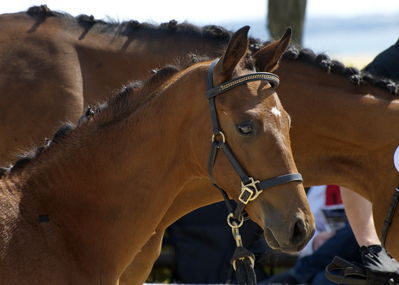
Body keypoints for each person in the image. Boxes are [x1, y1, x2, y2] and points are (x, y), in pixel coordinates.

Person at [263, 185, 362, 285]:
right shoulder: (324, 186)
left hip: (364, 258)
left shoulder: (371, 181)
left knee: (358, 228)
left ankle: (299, 273)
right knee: (322, 280)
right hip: (332, 263)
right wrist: (315, 242)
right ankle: (300, 274)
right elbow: (304, 229)